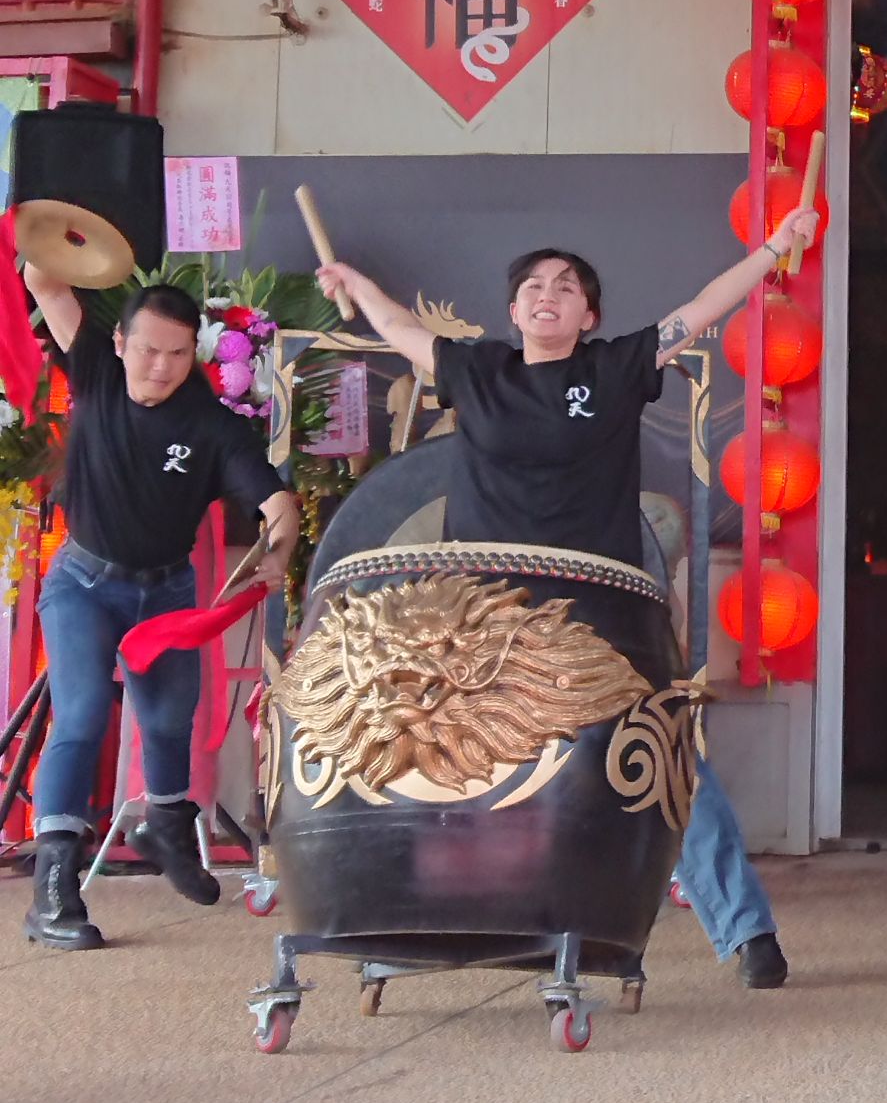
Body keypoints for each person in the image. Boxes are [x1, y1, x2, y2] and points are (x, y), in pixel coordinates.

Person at [316, 206, 819, 990]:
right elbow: (396, 326)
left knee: (665, 756)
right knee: (408, 738)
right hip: (481, 620)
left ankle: (746, 927)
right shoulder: (478, 371)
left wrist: (773, 250)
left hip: (598, 609)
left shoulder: (614, 368)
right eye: (533, 287)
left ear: (589, 315)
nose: (547, 295)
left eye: (566, 287)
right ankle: (401, 919)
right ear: (513, 310)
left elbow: (703, 307)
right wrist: (354, 281)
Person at [18, 271, 300, 951]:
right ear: (119, 342)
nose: (161, 366)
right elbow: (43, 281)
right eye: (147, 349)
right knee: (82, 714)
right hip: (83, 584)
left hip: (167, 593)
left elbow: (276, 502)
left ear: (193, 354)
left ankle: (166, 825)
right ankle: (53, 889)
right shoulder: (95, 368)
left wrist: (280, 547)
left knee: (171, 719)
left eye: (177, 353)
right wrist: (53, 230)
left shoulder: (210, 422)